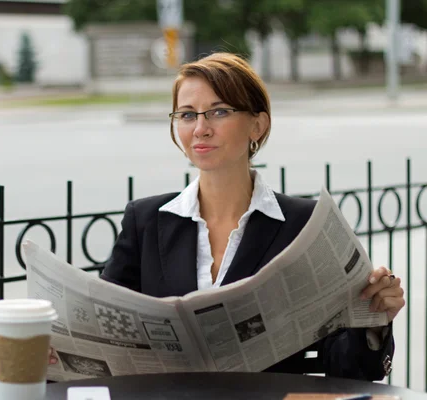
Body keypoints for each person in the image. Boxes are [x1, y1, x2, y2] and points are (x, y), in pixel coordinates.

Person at [49, 52, 405, 380]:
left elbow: (351, 369)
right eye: (187, 114)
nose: (200, 128)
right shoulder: (145, 220)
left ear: (257, 126)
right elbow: (101, 337)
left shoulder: (306, 224)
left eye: (218, 112)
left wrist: (374, 322)